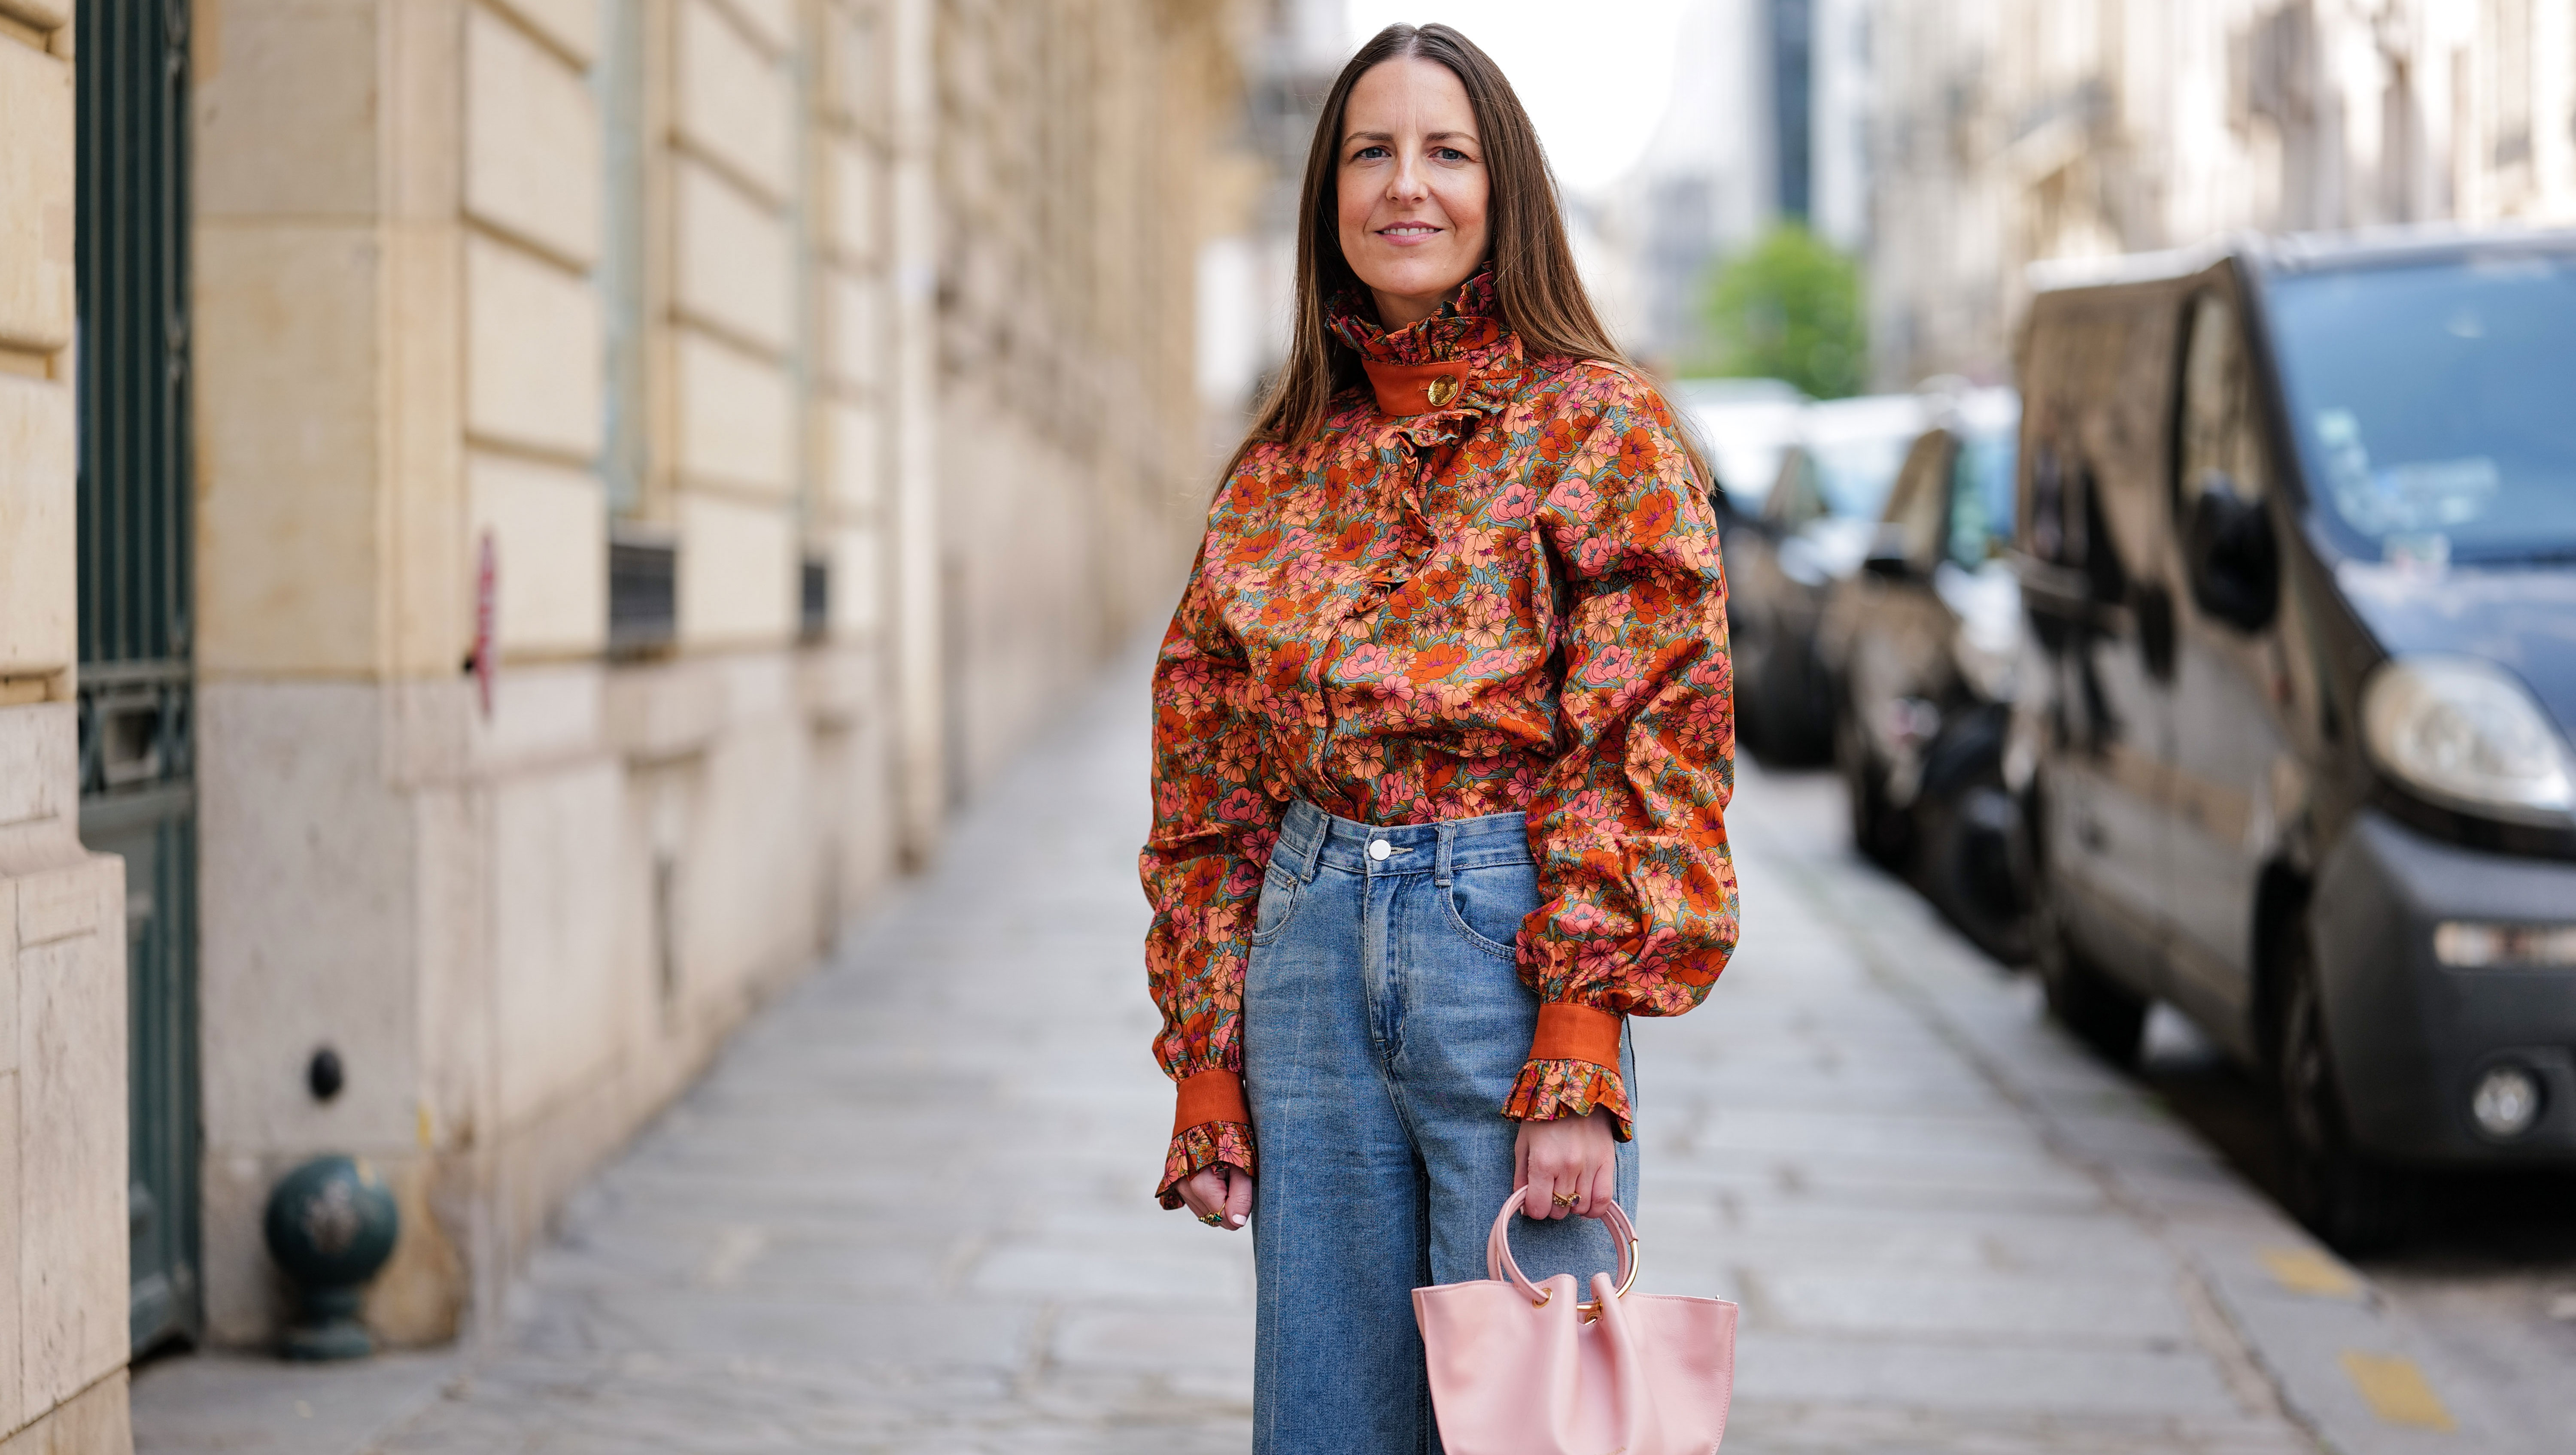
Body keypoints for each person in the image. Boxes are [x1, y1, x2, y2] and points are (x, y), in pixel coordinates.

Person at [1139, 22, 1739, 1453]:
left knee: (1540, 1427)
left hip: (1509, 950)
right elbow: (1210, 783)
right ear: (1329, 196)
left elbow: (1652, 742)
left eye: (1447, 152)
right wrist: (1208, 1069)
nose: (1407, 186)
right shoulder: (1279, 465)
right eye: (1371, 151)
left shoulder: (1602, 430)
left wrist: (1581, 1046)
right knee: (1325, 1427)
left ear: (1503, 187)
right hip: (1304, 968)